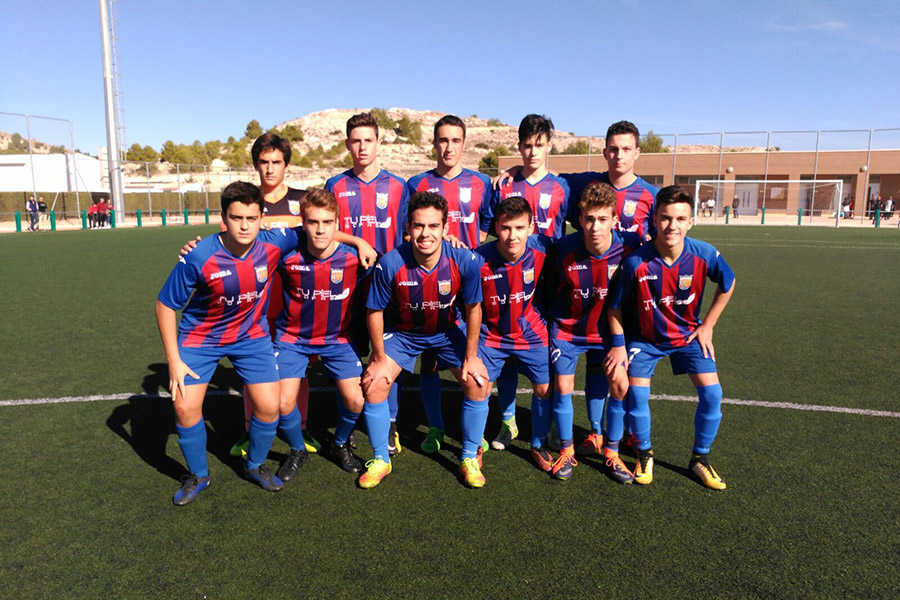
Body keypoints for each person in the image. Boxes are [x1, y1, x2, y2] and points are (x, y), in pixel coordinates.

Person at [228, 133, 375, 462]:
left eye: (276, 162)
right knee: (257, 372)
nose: (269, 169)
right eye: (263, 162)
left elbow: (322, 229)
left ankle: (303, 428)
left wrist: (357, 241)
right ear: (255, 165)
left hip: (297, 301)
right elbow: (227, 240)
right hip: (257, 303)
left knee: (298, 371)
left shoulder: (300, 201)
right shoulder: (247, 203)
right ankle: (251, 429)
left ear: (286, 165)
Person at [155, 181, 302, 505]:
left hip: (250, 337)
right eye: (237, 218)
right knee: (184, 406)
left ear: (262, 217)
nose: (245, 225)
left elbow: (316, 229)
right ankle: (198, 475)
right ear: (224, 217)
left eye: (252, 218)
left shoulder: (274, 243)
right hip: (201, 340)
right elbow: (165, 304)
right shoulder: (200, 255)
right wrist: (174, 360)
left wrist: (358, 242)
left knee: (269, 406)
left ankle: (255, 465)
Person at [607, 185, 736, 490]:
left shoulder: (704, 254)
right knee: (636, 395)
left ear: (691, 221)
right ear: (654, 219)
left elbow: (728, 284)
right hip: (645, 341)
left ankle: (700, 458)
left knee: (713, 394)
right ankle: (644, 452)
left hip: (689, 336)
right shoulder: (636, 262)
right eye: (665, 218)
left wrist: (708, 326)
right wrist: (619, 346)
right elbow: (614, 308)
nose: (672, 226)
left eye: (680, 219)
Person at [359, 191, 490, 489]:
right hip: (404, 335)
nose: (425, 233)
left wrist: (471, 356)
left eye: (433, 226)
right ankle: (381, 458)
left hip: (445, 332)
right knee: (374, 383)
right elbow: (374, 311)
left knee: (478, 380)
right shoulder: (390, 263)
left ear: (445, 229)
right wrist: (378, 358)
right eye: (419, 226)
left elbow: (473, 309)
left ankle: (469, 456)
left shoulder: (464, 261)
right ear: (408, 227)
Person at [484, 113, 571, 450]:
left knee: (545, 354)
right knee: (505, 352)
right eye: (526, 145)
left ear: (549, 145)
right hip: (509, 280)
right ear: (518, 147)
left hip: (550, 280)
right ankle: (508, 423)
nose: (533, 152)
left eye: (539, 145)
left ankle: (545, 424)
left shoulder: (563, 186)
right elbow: (489, 232)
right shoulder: (504, 185)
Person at [407, 115, 493, 453]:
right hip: (430, 280)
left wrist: (469, 253)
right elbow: (408, 228)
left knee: (472, 355)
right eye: (443, 140)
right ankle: (435, 428)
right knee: (429, 359)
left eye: (455, 141)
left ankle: (473, 430)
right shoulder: (417, 183)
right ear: (434, 143)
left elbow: (488, 219)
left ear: (464, 144)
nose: (448, 147)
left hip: (468, 281)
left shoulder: (482, 182)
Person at [271, 188, 370, 479]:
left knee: (356, 401)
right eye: (313, 222)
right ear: (303, 223)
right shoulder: (286, 257)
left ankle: (339, 444)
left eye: (327, 222)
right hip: (292, 338)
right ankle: (298, 449)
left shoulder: (355, 259)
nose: (320, 229)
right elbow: (243, 253)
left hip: (337, 340)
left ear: (337, 223)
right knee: (282, 403)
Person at [544, 181, 640, 482]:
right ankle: (566, 450)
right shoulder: (562, 249)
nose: (594, 227)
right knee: (562, 388)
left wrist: (622, 342)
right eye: (588, 218)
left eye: (602, 219)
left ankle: (610, 451)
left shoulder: (630, 248)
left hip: (609, 334)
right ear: (579, 218)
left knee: (619, 386)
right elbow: (547, 292)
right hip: (568, 331)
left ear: (614, 220)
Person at [327, 112, 410, 456]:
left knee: (384, 354)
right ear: (347, 144)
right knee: (348, 352)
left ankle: (389, 425)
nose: (362, 147)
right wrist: (357, 242)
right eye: (355, 141)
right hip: (345, 286)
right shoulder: (335, 186)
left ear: (379, 143)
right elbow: (325, 229)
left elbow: (408, 233)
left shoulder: (398, 187)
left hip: (386, 287)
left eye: (368, 140)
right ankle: (347, 415)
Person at [474, 196, 554, 471]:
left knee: (544, 388)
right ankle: (473, 446)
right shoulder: (478, 258)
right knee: (478, 385)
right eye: (506, 228)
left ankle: (539, 443)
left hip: (531, 333)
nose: (513, 235)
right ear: (496, 227)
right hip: (491, 336)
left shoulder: (545, 250)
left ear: (531, 228)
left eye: (520, 228)